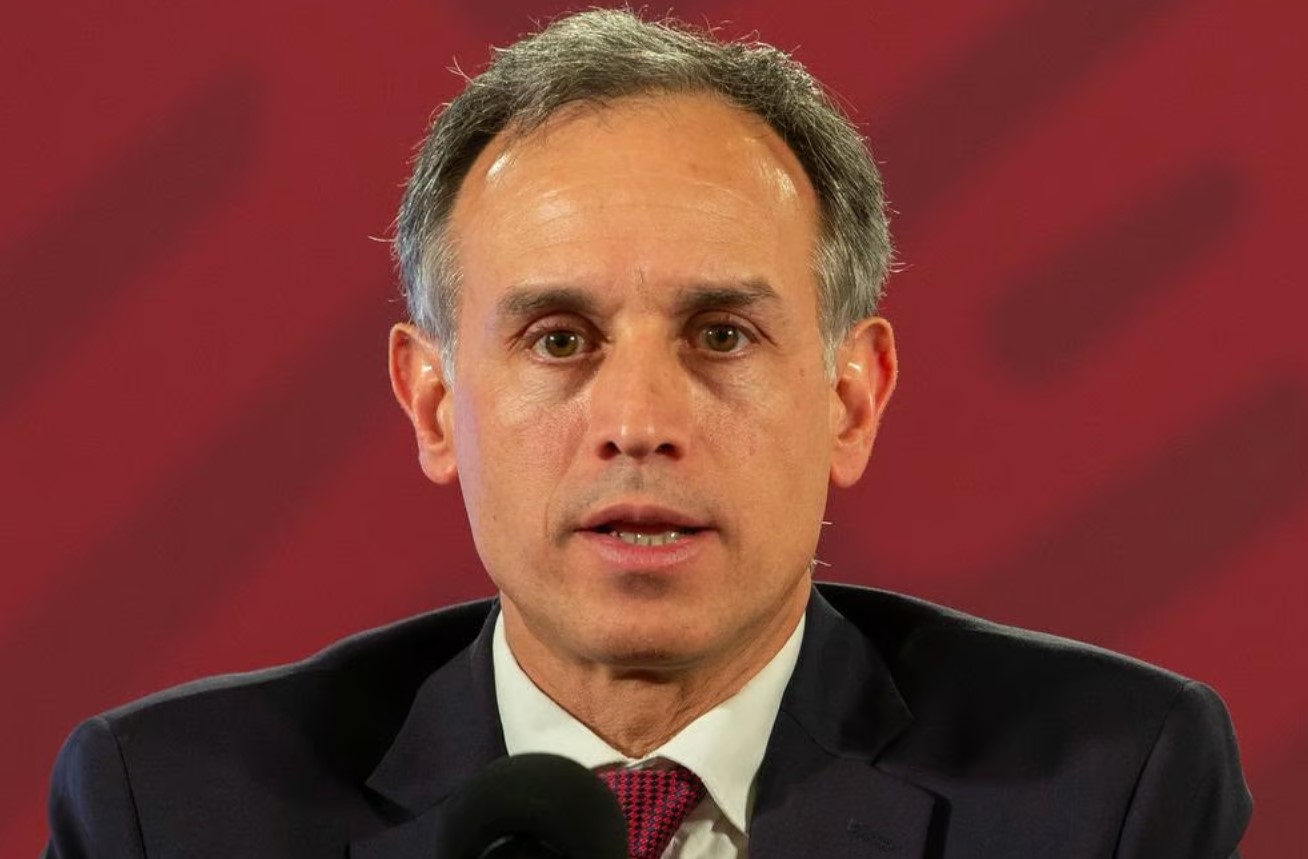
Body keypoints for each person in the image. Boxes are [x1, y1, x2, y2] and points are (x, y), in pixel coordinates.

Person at [43, 9, 1251, 858]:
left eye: (721, 335)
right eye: (559, 339)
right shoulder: (170, 811)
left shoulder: (1105, 791)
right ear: (434, 403)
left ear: (851, 397)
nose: (638, 424)